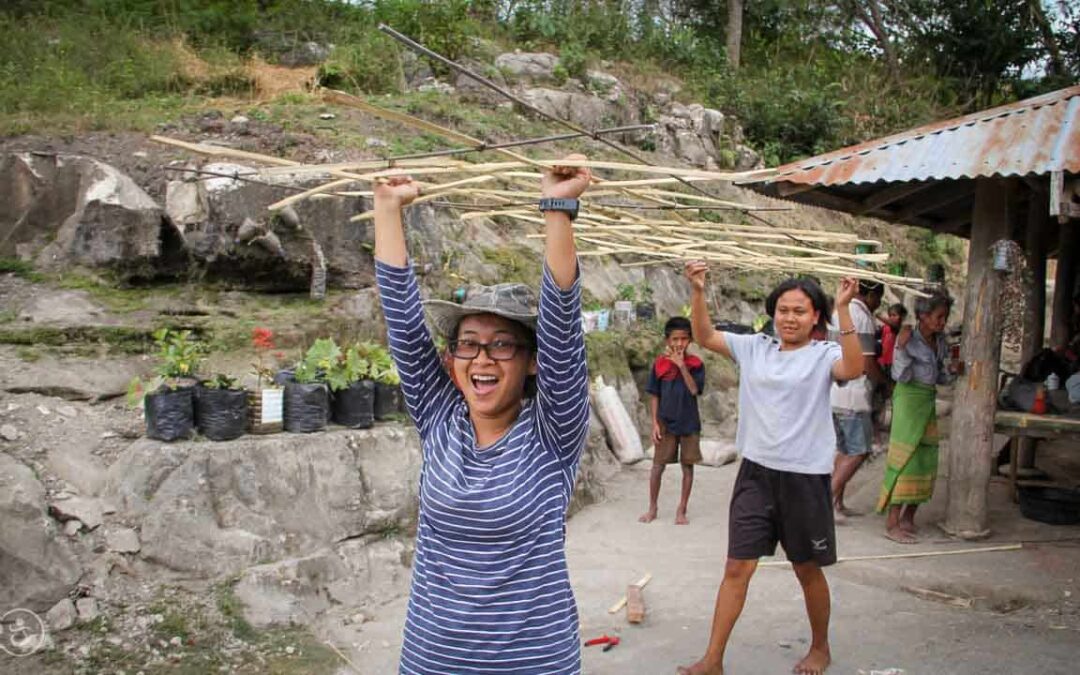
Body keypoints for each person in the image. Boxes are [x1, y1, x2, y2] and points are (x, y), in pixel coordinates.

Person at [373, 155, 592, 673]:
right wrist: (386, 209)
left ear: (532, 361)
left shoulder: (552, 432)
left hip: (531, 660)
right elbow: (404, 324)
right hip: (433, 657)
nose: (484, 358)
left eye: (502, 345)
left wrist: (558, 209)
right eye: (469, 345)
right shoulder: (439, 417)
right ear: (452, 361)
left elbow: (562, 324)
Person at [678, 263, 865, 675]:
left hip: (805, 477)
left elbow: (853, 370)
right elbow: (705, 336)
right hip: (756, 474)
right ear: (772, 313)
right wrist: (697, 291)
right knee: (736, 566)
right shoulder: (754, 347)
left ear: (816, 316)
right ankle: (712, 659)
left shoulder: (824, 354)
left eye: (800, 311)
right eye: (783, 310)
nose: (790, 318)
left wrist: (846, 310)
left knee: (806, 568)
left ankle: (820, 648)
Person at [877, 294, 957, 544]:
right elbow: (899, 374)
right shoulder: (909, 339)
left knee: (926, 458)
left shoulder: (940, 342)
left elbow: (941, 378)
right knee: (905, 459)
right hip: (909, 400)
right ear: (923, 316)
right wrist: (900, 346)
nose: (943, 322)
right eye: (938, 317)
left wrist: (953, 371)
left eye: (945, 317)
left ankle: (910, 516)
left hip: (927, 400)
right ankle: (892, 523)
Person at [639, 316, 706, 525]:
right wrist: (655, 424)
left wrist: (681, 366)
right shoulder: (659, 365)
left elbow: (694, 389)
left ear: (690, 341)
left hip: (689, 424)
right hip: (666, 423)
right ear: (667, 340)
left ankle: (681, 509)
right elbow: (654, 395)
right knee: (657, 466)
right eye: (675, 339)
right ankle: (652, 508)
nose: (679, 344)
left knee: (688, 467)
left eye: (684, 339)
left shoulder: (696, 364)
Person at [830, 280, 887, 522]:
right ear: (871, 295)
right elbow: (866, 361)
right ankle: (825, 499)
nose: (879, 304)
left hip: (835, 391)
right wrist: (883, 383)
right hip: (853, 393)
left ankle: (836, 502)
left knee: (843, 449)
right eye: (878, 298)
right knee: (859, 450)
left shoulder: (838, 311)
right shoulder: (861, 317)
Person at [878, 303, 908, 372]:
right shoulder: (885, 327)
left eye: (894, 315)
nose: (891, 318)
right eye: (890, 315)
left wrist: (877, 315)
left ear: (902, 317)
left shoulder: (900, 329)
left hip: (893, 362)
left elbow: (893, 327)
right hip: (882, 360)